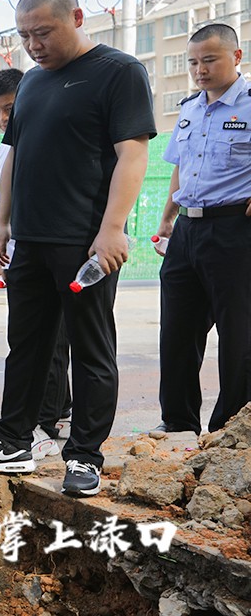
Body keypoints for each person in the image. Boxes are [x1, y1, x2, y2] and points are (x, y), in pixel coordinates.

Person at [0, 0, 155, 498]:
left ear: (77, 17)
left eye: (43, 31)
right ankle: (13, 442)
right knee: (26, 346)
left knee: (90, 349)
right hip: (32, 242)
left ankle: (84, 454)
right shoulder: (35, 84)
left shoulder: (119, 72)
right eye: (24, 35)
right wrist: (3, 222)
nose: (34, 44)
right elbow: (14, 156)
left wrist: (112, 230)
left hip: (83, 242)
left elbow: (132, 154)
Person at [154, 23, 251, 435]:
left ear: (236, 57)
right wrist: (167, 216)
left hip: (235, 232)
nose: (200, 69)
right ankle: (178, 423)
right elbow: (181, 166)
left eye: (209, 60)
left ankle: (230, 429)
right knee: (176, 331)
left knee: (238, 336)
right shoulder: (190, 107)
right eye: (194, 62)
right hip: (187, 233)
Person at [0, 67, 71, 460]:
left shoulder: (45, 130)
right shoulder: (8, 143)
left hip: (55, 247)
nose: (3, 118)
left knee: (53, 345)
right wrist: (5, 246)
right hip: (20, 248)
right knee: (28, 342)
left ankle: (48, 422)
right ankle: (28, 425)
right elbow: (10, 196)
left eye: (9, 108)